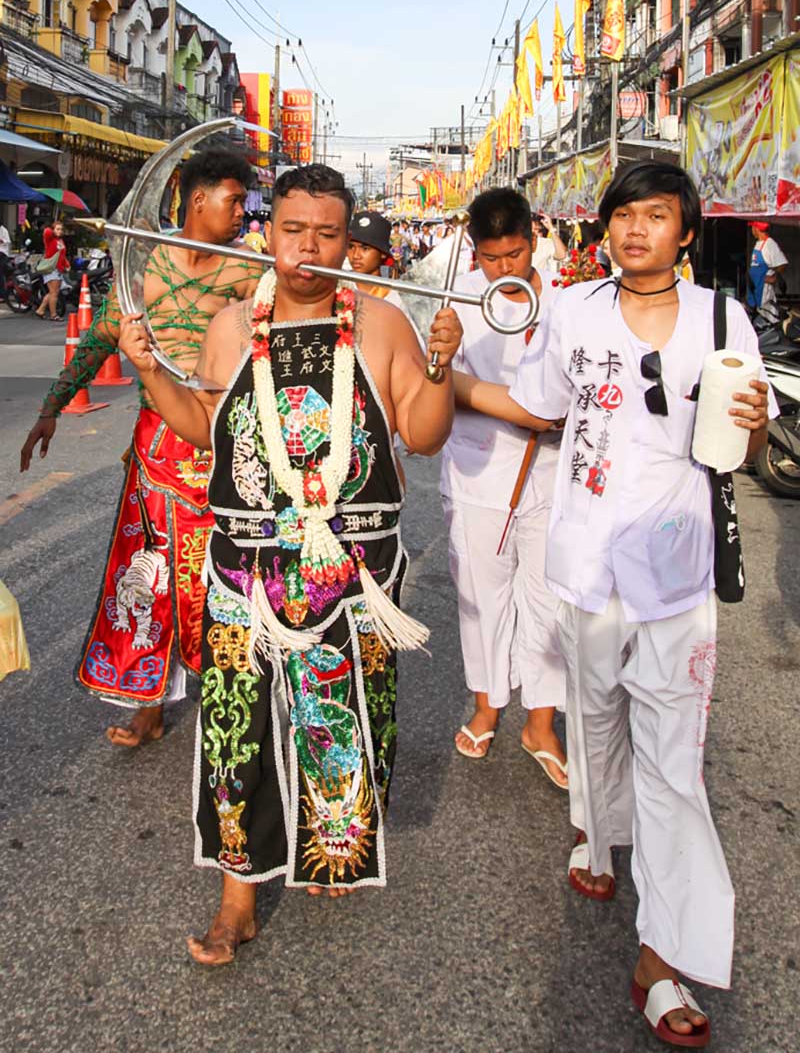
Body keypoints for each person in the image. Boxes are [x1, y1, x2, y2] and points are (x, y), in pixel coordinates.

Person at [457, 161, 772, 1046]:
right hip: (586, 561)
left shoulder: (724, 318)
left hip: (675, 574)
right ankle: (596, 838)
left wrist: (747, 425)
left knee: (675, 761)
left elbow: (732, 452)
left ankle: (664, 960)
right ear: (606, 229)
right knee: (593, 718)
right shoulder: (576, 311)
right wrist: (454, 386)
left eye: (657, 215)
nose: (637, 229)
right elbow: (542, 408)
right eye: (624, 214)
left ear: (685, 230)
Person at [117, 163, 462, 964]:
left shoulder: (379, 325)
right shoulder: (233, 327)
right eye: (293, 231)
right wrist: (142, 368)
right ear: (268, 235)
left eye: (328, 235)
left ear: (349, 241)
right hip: (243, 561)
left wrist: (440, 366)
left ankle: (331, 847)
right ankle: (236, 895)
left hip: (353, 569)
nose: (309, 249)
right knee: (233, 733)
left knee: (341, 722)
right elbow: (204, 427)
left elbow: (423, 432)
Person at [20, 150, 262, 747]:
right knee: (147, 582)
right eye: (234, 200)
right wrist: (52, 408)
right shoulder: (142, 266)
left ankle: (240, 707)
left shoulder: (250, 275)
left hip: (226, 448)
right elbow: (100, 335)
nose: (242, 214)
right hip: (155, 450)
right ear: (199, 199)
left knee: (226, 581)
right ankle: (150, 706)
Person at [443, 188, 566, 785]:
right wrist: (518, 408)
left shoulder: (565, 305)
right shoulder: (458, 307)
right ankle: (487, 705)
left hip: (555, 473)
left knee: (548, 598)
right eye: (492, 258)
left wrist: (546, 415)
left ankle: (540, 721)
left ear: (532, 242)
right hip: (478, 472)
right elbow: (437, 386)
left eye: (514, 255)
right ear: (475, 253)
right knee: (482, 596)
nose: (504, 269)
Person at [746, 221, 787, 323]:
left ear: (757, 228)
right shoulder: (758, 244)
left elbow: (782, 264)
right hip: (755, 288)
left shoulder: (770, 244)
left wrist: (773, 277)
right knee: (756, 317)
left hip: (764, 290)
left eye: (753, 227)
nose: (752, 230)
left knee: (768, 317)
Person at [35, 220, 68, 321]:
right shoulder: (50, 239)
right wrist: (52, 229)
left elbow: (62, 255)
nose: (60, 231)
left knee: (53, 292)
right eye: (58, 229)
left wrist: (66, 265)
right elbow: (46, 232)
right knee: (54, 293)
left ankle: (40, 310)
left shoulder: (60, 241)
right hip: (51, 269)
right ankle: (53, 315)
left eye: (61, 229)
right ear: (53, 230)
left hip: (58, 269)